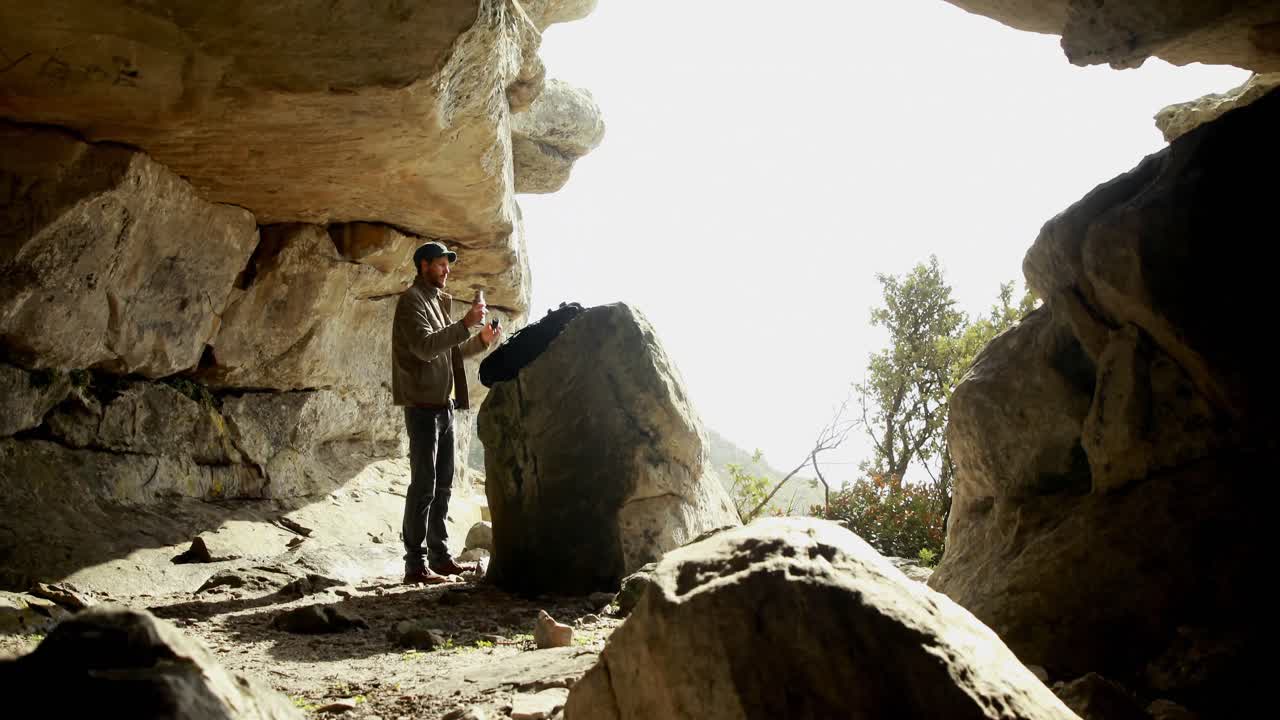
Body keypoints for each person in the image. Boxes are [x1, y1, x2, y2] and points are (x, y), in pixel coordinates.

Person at [392, 240, 500, 585]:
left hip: (445, 406)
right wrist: (466, 323)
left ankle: (440, 558)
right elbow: (424, 348)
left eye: (447, 265)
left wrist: (481, 339)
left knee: (443, 487)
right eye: (440, 264)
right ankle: (415, 564)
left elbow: (449, 352)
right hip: (422, 408)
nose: (447, 270)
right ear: (423, 266)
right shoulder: (411, 301)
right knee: (423, 486)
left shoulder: (437, 302)